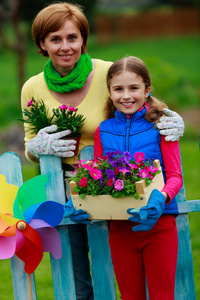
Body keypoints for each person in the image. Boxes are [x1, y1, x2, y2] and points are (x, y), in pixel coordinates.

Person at [21, 2, 184, 299]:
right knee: (77, 272)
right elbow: (29, 141)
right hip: (69, 187)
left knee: (124, 269)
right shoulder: (32, 87)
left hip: (122, 186)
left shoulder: (108, 72)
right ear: (42, 43)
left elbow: (139, 95)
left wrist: (172, 120)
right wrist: (35, 147)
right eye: (55, 39)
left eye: (72, 37)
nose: (65, 46)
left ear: (83, 38)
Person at [93, 56, 183, 300]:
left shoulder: (162, 125)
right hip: (121, 228)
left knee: (162, 296)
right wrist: (83, 200)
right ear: (110, 92)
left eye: (134, 88)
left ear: (147, 89)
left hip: (160, 225)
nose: (126, 96)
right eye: (118, 89)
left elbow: (175, 175)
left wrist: (161, 197)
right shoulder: (103, 131)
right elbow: (97, 175)